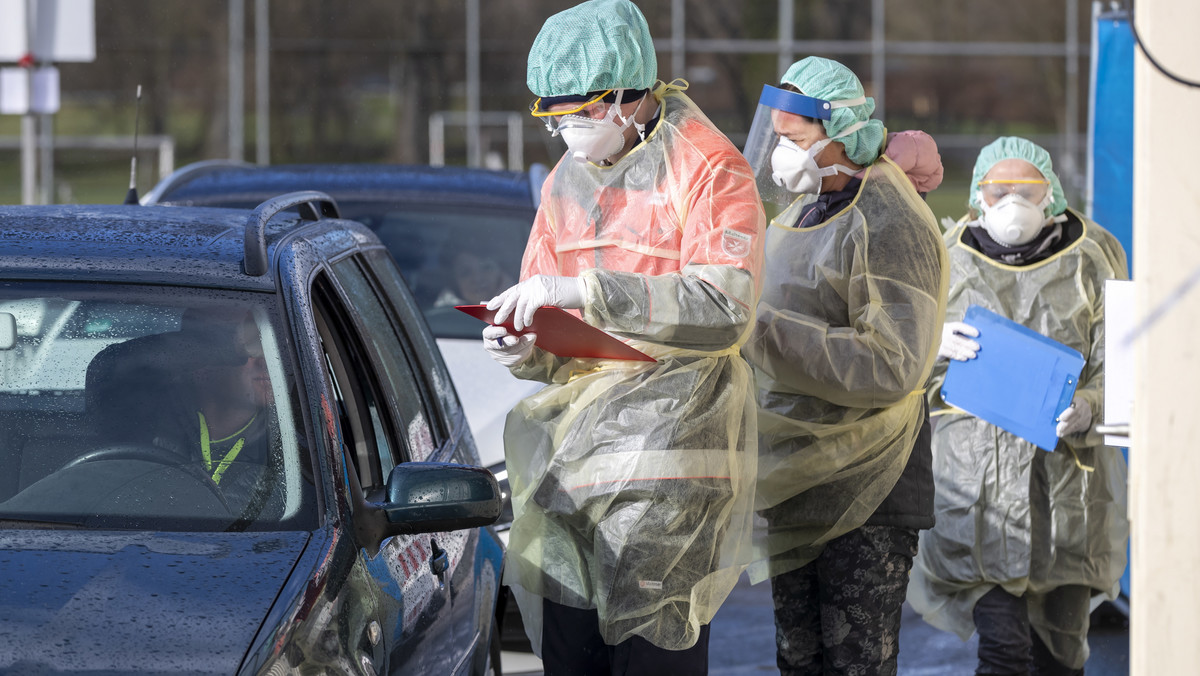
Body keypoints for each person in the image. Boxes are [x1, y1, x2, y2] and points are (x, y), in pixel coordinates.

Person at [481, 0, 766, 672]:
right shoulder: (565, 185)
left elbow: (724, 303)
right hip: (577, 467)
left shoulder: (707, 168)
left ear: (629, 95)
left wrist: (586, 290)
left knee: (652, 658)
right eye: (555, 117)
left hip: (672, 466)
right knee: (572, 657)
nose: (569, 131)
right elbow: (552, 324)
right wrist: (527, 348)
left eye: (581, 111)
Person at [738, 56, 949, 675]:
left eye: (793, 139)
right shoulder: (800, 213)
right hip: (800, 480)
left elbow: (892, 364)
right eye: (775, 137)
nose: (780, 152)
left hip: (870, 486)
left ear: (838, 134)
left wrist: (763, 330)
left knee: (856, 664)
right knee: (799, 662)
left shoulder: (886, 218)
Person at [907, 136, 1129, 675]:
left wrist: (1091, 405)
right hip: (978, 492)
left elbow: (1119, 364)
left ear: (1050, 192)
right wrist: (931, 347)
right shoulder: (942, 258)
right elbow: (897, 360)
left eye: (1026, 189)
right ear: (977, 195)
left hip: (1068, 496)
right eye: (997, 189)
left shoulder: (1093, 258)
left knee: (1062, 655)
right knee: (1004, 652)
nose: (1012, 202)